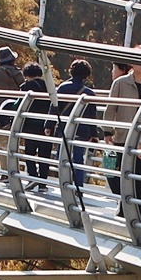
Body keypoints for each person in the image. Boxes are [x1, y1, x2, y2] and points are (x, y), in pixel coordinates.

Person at [107, 59, 141, 202]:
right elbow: (111, 108)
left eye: (114, 68)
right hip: (122, 137)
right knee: (115, 172)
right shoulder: (120, 83)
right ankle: (122, 203)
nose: (112, 72)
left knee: (140, 178)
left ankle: (137, 208)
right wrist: (107, 131)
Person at [58, 59, 96, 192]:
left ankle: (64, 184)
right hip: (82, 130)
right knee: (78, 158)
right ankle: (78, 187)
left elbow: (55, 108)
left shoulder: (62, 88)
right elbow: (92, 115)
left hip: (64, 127)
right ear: (87, 75)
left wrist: (49, 125)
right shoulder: (89, 93)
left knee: (61, 156)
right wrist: (94, 134)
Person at [18, 59, 57, 186]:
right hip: (47, 124)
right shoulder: (49, 86)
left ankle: (32, 177)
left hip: (30, 124)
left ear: (26, 75)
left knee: (29, 152)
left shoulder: (25, 87)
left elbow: (19, 105)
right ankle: (43, 183)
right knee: (44, 154)